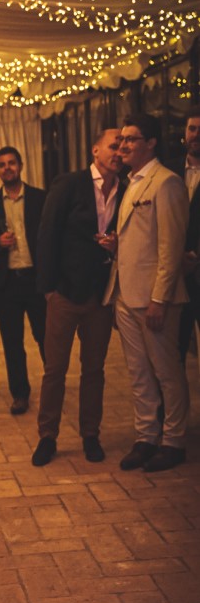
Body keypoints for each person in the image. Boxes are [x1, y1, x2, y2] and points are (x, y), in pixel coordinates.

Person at [32, 129, 126, 466]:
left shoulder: (127, 188)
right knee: (55, 369)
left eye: (123, 146)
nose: (119, 151)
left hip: (101, 294)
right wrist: (48, 288)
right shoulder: (69, 183)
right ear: (95, 149)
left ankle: (91, 434)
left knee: (94, 370)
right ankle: (47, 436)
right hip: (65, 292)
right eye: (114, 145)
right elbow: (47, 233)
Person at [104, 113, 189, 472]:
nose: (123, 146)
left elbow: (170, 248)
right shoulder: (132, 182)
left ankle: (174, 440)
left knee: (167, 371)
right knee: (138, 372)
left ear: (151, 143)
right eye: (121, 140)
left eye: (131, 140)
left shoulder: (166, 183)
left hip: (155, 298)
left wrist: (160, 299)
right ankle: (145, 436)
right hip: (125, 292)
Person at [0, 146, 47, 414]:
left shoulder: (40, 198)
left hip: (37, 281)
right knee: (12, 344)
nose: (7, 168)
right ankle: (20, 394)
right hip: (7, 285)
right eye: (2, 164)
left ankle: (53, 387)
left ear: (21, 165)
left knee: (46, 339)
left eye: (11, 163)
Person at [167, 106, 200, 363]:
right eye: (192, 128)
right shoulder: (167, 171)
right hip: (174, 274)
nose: (196, 134)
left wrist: (195, 255)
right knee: (172, 351)